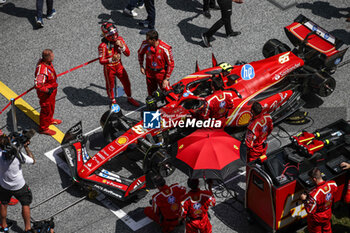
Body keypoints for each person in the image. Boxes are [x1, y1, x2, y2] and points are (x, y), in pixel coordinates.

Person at [0, 135, 35, 233]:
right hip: (19, 186)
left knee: (3, 203)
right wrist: (26, 147)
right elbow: (32, 161)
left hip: (4, 185)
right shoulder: (17, 155)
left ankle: (4, 226)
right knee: (25, 204)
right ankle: (28, 228)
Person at [98, 22, 140, 107]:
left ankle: (129, 97)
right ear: (106, 34)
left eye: (115, 32)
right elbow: (101, 61)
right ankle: (113, 101)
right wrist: (111, 59)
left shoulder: (120, 40)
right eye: (111, 34)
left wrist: (122, 46)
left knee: (127, 83)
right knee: (110, 86)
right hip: (109, 68)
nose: (114, 36)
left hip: (119, 66)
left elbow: (128, 54)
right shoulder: (102, 46)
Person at [300, 167, 338, 233]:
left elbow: (310, 210)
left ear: (314, 179)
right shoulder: (332, 184)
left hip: (317, 217)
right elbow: (333, 190)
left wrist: (304, 200)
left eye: (311, 179)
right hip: (328, 212)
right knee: (327, 229)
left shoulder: (314, 195)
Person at [138, 30, 174, 96]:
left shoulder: (165, 48)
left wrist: (166, 79)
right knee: (151, 95)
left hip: (161, 74)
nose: (146, 40)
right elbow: (140, 54)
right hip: (149, 72)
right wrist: (141, 66)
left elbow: (171, 64)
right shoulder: (145, 44)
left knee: (167, 93)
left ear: (153, 40)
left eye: (148, 39)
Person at [35, 49, 61, 136]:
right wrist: (47, 91)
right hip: (46, 94)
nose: (53, 56)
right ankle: (43, 128)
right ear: (47, 58)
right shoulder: (42, 70)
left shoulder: (47, 62)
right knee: (46, 110)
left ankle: (49, 120)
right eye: (52, 55)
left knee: (51, 107)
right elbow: (38, 84)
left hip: (52, 91)